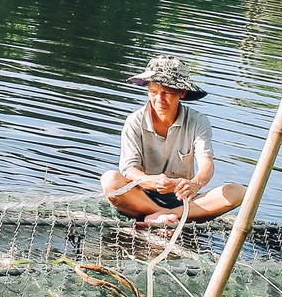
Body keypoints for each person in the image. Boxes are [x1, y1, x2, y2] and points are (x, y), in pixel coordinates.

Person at [99, 54, 246, 224]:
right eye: (153, 92)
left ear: (181, 93)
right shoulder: (134, 121)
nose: (159, 100)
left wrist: (195, 184)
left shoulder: (198, 121)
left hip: (183, 199)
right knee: (110, 180)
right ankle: (160, 214)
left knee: (237, 192)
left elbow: (206, 164)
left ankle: (167, 215)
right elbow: (129, 170)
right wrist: (152, 181)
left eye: (166, 93)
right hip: (140, 197)